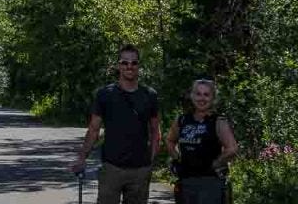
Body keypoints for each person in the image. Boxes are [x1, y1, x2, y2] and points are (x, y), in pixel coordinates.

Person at [71, 44, 161, 204]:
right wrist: (82, 158)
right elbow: (93, 129)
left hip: (140, 170)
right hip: (111, 168)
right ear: (118, 65)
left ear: (139, 65)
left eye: (134, 63)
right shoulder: (105, 94)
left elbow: (155, 131)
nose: (129, 66)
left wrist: (150, 163)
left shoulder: (150, 95)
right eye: (125, 62)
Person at [165, 79, 238, 204]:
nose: (202, 98)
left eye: (206, 95)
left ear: (212, 98)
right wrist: (177, 158)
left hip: (210, 182)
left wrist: (217, 163)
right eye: (198, 94)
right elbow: (170, 140)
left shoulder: (218, 121)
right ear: (192, 96)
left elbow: (232, 149)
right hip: (186, 181)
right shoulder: (182, 120)